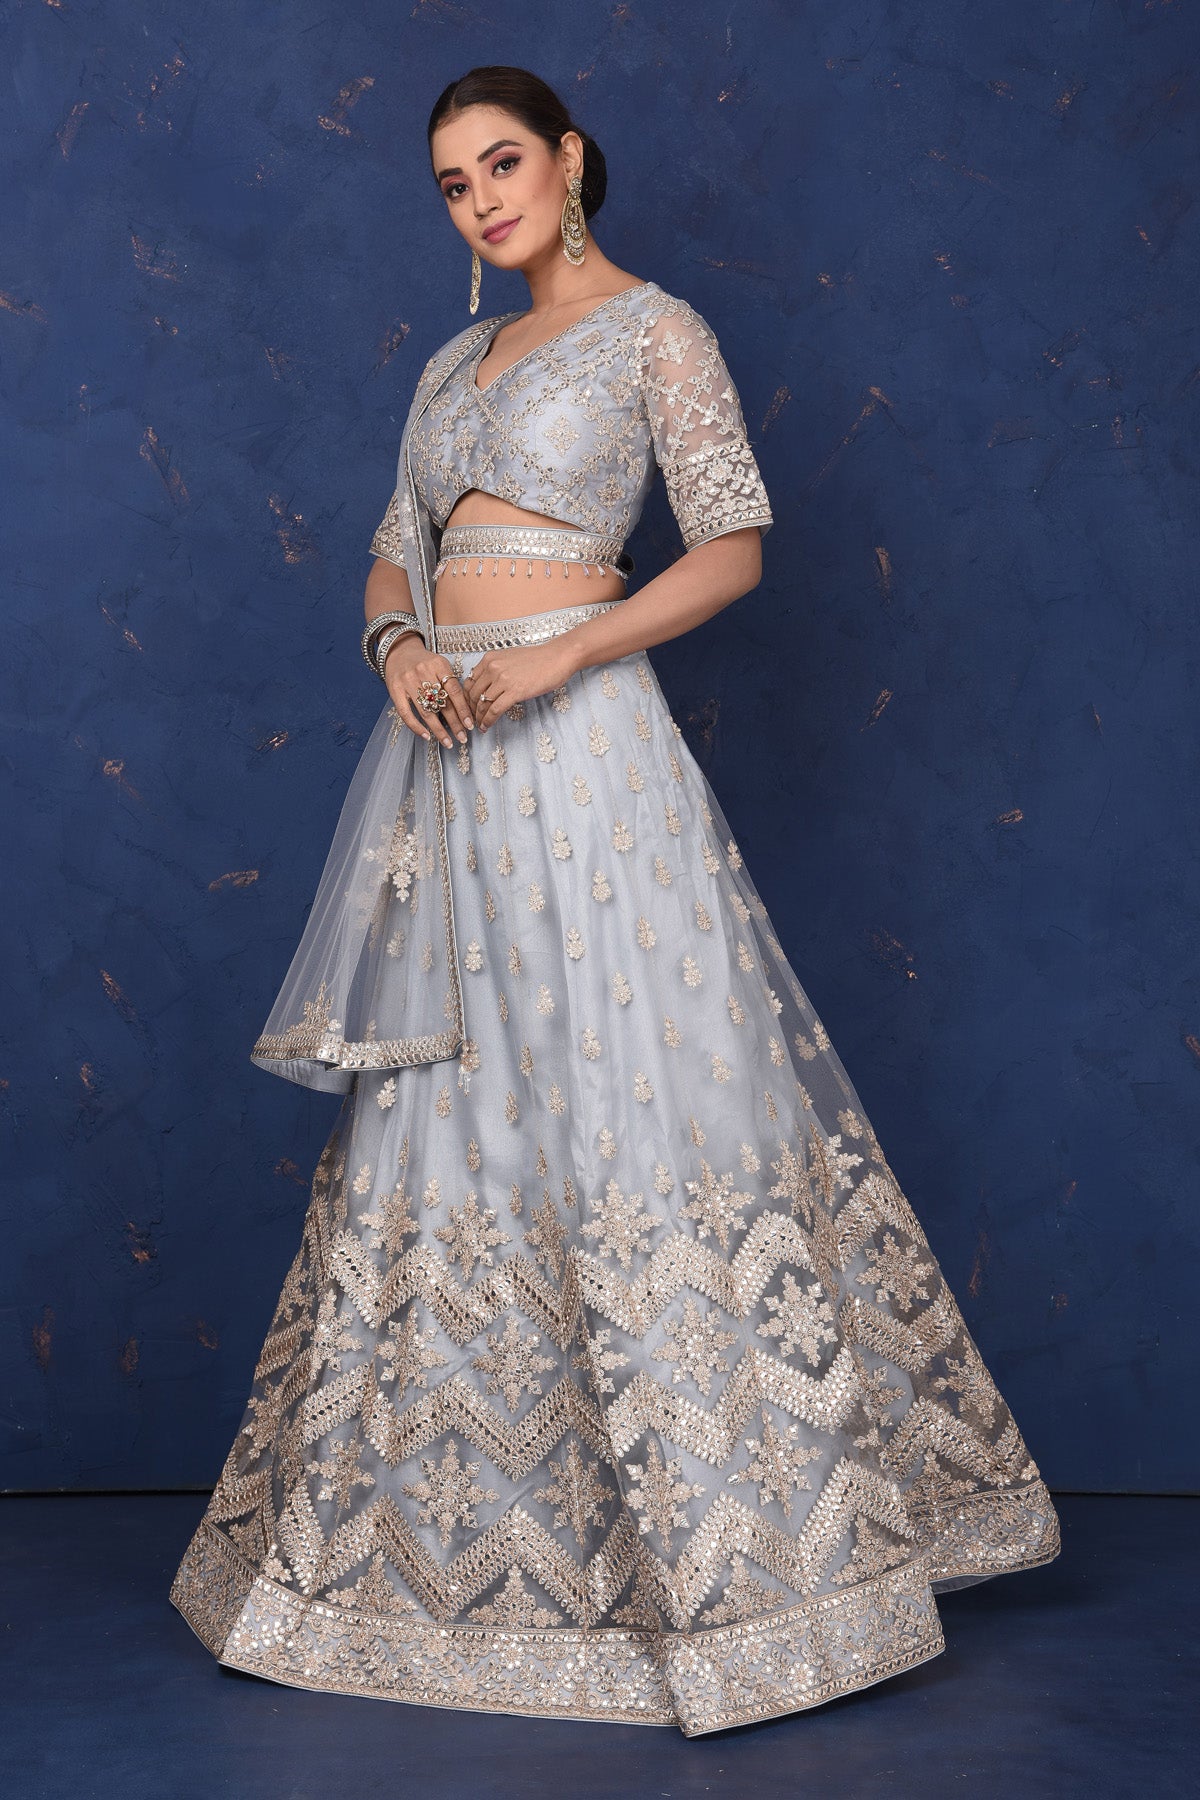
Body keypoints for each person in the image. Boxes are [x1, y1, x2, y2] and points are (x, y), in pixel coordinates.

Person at [170, 65, 1060, 1736]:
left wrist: (567, 652)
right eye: (453, 182)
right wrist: (398, 640)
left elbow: (732, 545)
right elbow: (393, 544)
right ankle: (447, 1550)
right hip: (446, 752)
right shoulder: (450, 365)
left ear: (569, 161)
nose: (482, 198)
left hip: (583, 754)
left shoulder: (660, 333)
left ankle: (755, 1564)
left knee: (626, 1087)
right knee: (459, 1099)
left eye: (503, 162)